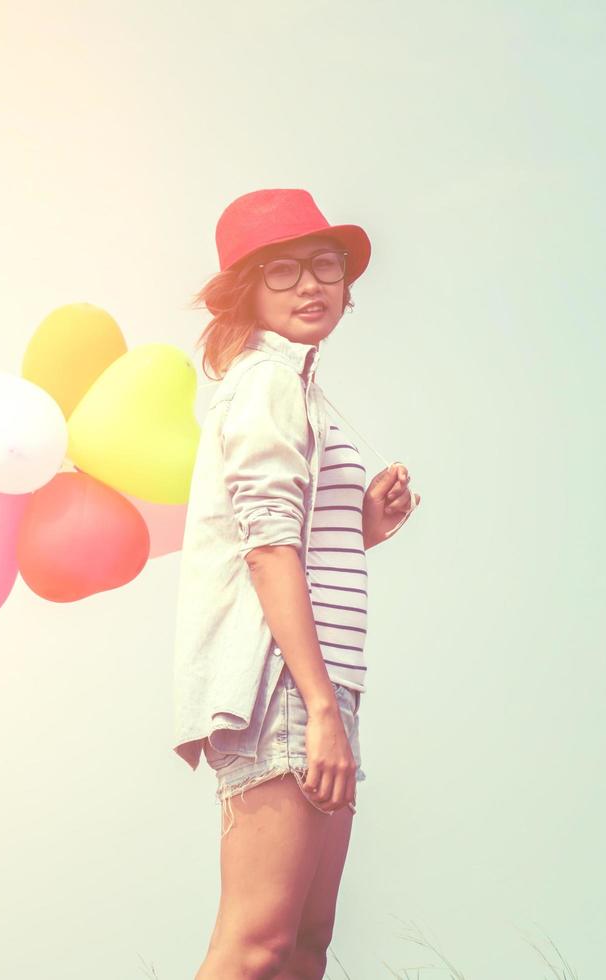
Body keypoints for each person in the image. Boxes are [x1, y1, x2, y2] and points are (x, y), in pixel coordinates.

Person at [170, 189, 421, 979]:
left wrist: (362, 528)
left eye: (326, 267)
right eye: (283, 272)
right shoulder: (267, 381)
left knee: (304, 947)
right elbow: (268, 549)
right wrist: (317, 706)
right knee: (258, 945)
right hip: (286, 685)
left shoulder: (305, 389)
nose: (312, 286)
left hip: (322, 684)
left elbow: (292, 536)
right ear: (246, 291)